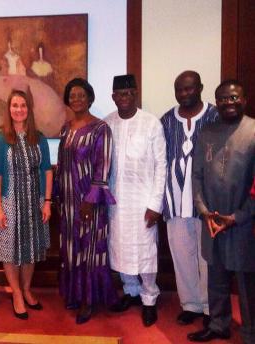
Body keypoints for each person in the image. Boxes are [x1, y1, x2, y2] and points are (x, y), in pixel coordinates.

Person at [188, 80, 255, 343]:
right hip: (212, 221)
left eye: (234, 97)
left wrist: (237, 217)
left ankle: (250, 333)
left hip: (243, 223)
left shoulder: (253, 131)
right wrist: (204, 212)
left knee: (247, 282)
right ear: (216, 102)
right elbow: (197, 177)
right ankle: (218, 324)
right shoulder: (206, 132)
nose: (228, 102)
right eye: (223, 99)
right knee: (215, 277)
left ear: (245, 99)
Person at [105, 74, 167, 327]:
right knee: (119, 249)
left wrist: (156, 205)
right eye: (121, 94)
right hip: (116, 203)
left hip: (143, 203)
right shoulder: (107, 123)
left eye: (130, 93)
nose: (125, 98)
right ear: (113, 97)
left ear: (136, 94)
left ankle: (149, 298)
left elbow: (161, 166)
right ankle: (131, 292)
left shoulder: (151, 123)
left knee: (145, 252)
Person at [56, 78, 118, 324]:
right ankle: (74, 294)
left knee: (90, 251)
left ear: (90, 99)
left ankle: (88, 300)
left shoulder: (100, 128)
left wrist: (90, 200)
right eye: (72, 95)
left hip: (89, 203)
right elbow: (62, 165)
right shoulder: (66, 128)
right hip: (68, 203)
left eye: (82, 95)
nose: (77, 99)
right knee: (71, 250)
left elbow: (103, 169)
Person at [161, 71, 218, 326]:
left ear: (200, 88)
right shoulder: (166, 120)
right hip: (174, 201)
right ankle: (191, 304)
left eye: (189, 89)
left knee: (208, 258)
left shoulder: (215, 116)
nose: (184, 94)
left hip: (207, 202)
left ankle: (210, 307)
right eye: (179, 90)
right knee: (182, 256)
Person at [0, 89, 52, 320]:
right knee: (10, 250)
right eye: (14, 105)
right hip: (9, 202)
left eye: (23, 105)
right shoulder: (0, 139)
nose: (19, 109)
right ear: (9, 109)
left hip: (34, 203)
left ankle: (26, 289)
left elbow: (47, 171)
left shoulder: (39, 137)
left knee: (31, 248)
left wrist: (47, 202)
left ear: (29, 109)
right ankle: (16, 292)